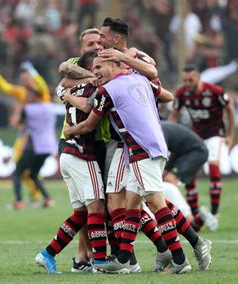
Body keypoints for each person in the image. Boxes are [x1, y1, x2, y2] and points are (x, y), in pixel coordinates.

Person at [64, 56, 192, 274]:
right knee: (131, 204)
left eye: (99, 67)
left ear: (114, 65)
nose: (95, 72)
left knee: (156, 203)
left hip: (142, 148)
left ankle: (179, 258)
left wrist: (69, 131)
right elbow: (163, 92)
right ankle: (124, 257)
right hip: (148, 146)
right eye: (93, 68)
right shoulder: (138, 79)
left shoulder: (108, 91)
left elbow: (87, 124)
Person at [35, 51, 118, 274]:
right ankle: (100, 261)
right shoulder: (95, 88)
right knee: (97, 207)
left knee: (81, 213)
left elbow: (62, 87)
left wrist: (69, 96)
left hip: (68, 153)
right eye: (98, 66)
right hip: (83, 153)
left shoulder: (69, 87)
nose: (101, 70)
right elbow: (90, 108)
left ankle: (48, 254)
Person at [169, 65, 235, 232]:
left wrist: (230, 135)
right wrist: (170, 135)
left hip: (215, 135)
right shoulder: (181, 93)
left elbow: (230, 109)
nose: (187, 83)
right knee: (189, 177)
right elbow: (174, 114)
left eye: (190, 80)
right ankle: (195, 214)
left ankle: (213, 214)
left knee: (214, 170)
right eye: (185, 80)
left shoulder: (215, 91)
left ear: (198, 78)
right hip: (195, 136)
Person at [0, 61, 54, 208]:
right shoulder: (23, 92)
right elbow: (5, 87)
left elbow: (41, 86)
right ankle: (40, 196)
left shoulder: (41, 94)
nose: (24, 80)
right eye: (22, 78)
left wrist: (33, 71)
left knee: (24, 168)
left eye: (27, 77)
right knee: (24, 166)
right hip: (26, 135)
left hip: (35, 138)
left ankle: (32, 197)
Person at [11, 82, 57, 213]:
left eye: (29, 94)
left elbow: (16, 124)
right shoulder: (50, 107)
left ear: (33, 96)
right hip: (48, 147)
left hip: (34, 146)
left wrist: (20, 106)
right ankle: (48, 198)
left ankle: (19, 201)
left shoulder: (28, 109)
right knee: (33, 174)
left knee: (17, 173)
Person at [160, 120, 213, 231]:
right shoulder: (159, 127)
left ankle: (190, 221)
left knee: (169, 180)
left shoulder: (159, 132)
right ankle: (188, 219)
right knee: (162, 178)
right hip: (181, 152)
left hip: (196, 152)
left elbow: (160, 156)